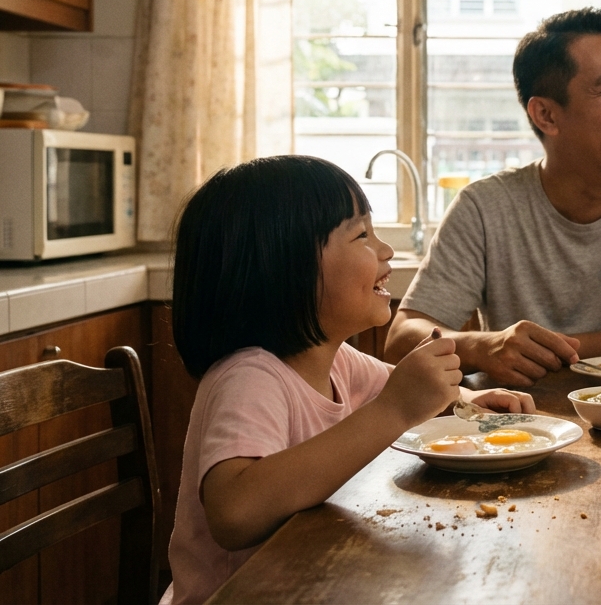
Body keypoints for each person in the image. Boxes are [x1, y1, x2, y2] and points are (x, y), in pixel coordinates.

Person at [165, 156, 534, 605]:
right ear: (288, 267)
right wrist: (393, 410)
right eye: (362, 235)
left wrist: (473, 401)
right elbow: (234, 514)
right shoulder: (249, 377)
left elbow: (411, 392)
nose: (386, 251)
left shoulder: (336, 362)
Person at [384, 8, 601, 386]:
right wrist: (482, 347)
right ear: (546, 115)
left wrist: (552, 349)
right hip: (517, 427)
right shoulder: (485, 207)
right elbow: (401, 339)